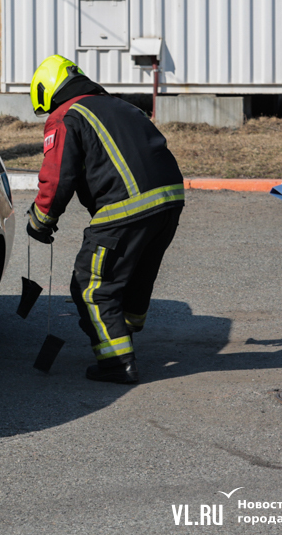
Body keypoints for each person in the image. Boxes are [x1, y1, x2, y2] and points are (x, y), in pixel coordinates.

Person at [26, 55, 184, 385]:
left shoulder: (66, 114)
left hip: (126, 206)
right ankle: (123, 327)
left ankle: (117, 363)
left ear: (46, 91)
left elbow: (57, 176)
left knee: (90, 284)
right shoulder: (119, 106)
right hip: (169, 199)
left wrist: (41, 220)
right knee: (135, 270)